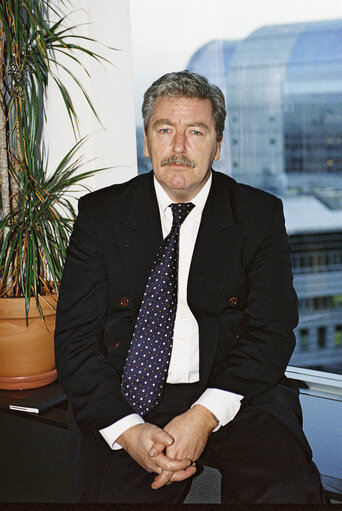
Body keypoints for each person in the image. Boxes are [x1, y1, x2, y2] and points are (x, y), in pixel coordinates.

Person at [54, 70, 326, 504]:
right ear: (146, 141)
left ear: (218, 146)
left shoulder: (259, 215)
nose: (178, 148)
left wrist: (202, 417)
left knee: (288, 492)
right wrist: (128, 431)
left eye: (195, 131)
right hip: (128, 395)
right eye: (165, 130)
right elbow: (75, 343)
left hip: (234, 390)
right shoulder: (101, 216)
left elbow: (272, 331)